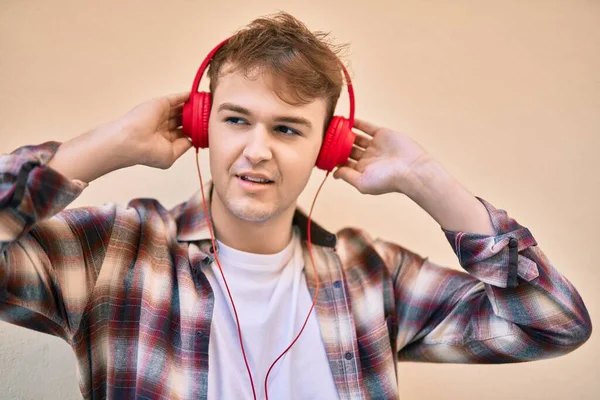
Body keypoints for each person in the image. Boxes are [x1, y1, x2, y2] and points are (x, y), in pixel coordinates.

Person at [0, 11, 591, 400]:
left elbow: (553, 323)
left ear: (326, 148)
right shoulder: (113, 252)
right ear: (204, 126)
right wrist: (107, 145)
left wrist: (425, 178)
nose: (257, 151)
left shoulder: (372, 276)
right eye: (235, 120)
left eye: (287, 129)